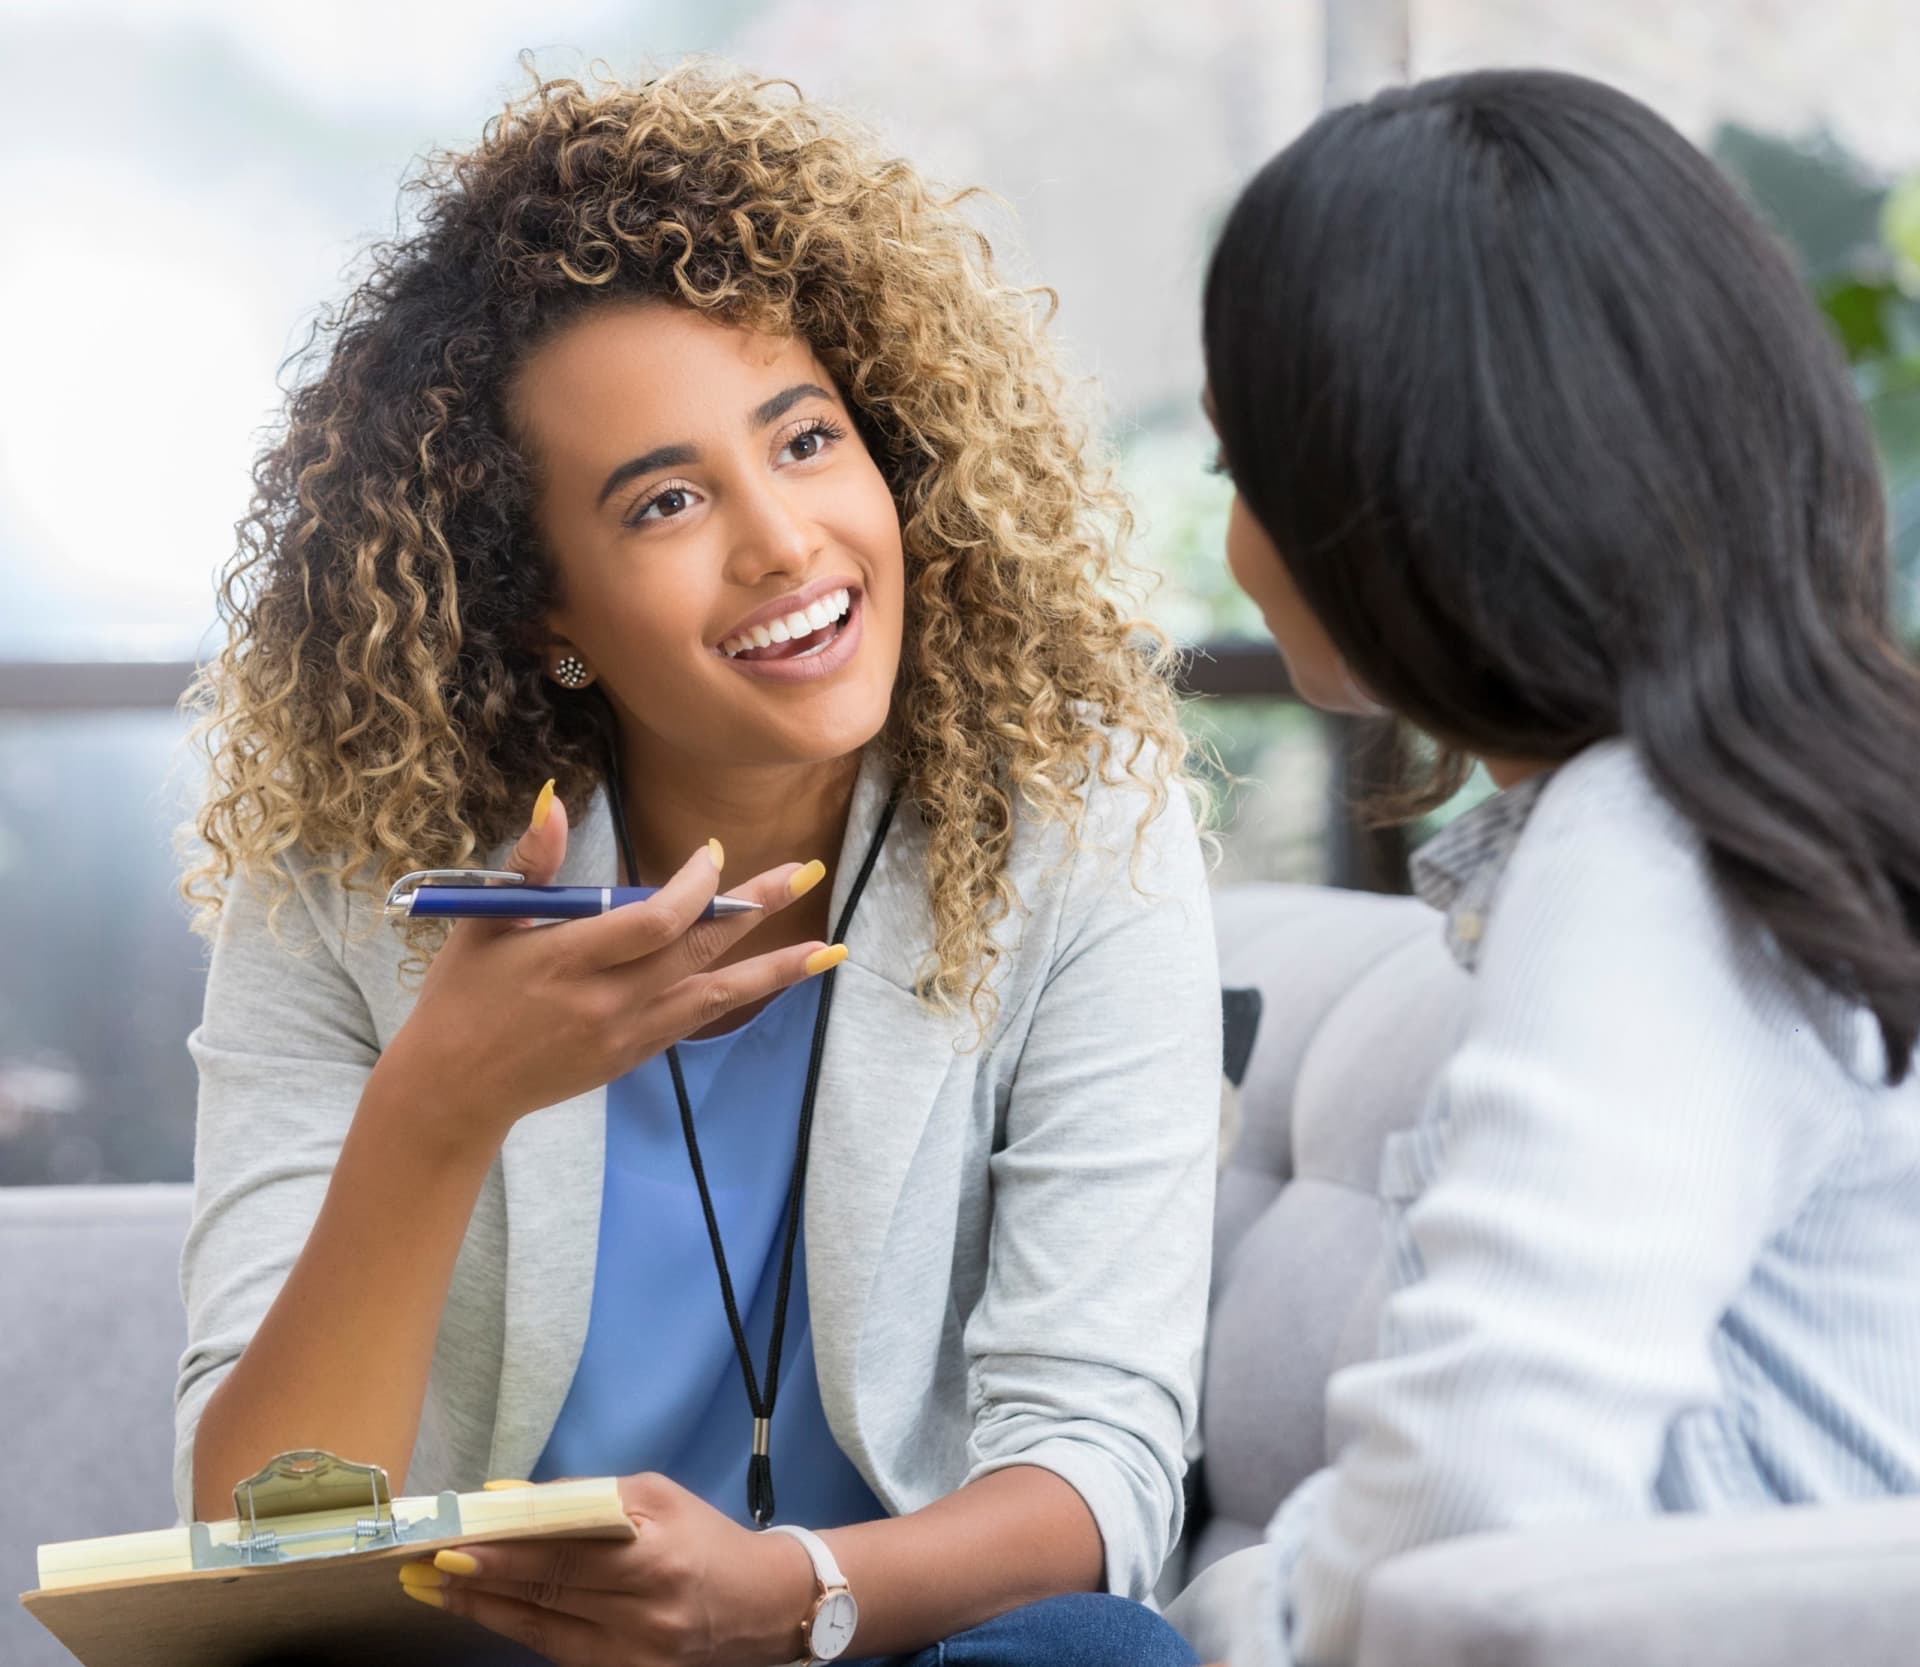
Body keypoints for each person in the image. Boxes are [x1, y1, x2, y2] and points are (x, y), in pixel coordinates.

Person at [175, 65, 1219, 1667]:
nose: (785, 542)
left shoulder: (1079, 832)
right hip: (504, 1651)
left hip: (883, 1636)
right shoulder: (349, 888)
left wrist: (788, 1591)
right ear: (549, 616)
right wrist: (438, 1106)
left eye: (804, 440)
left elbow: (1102, 1469)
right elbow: (252, 1554)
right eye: (665, 500)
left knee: (1101, 1655)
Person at [1170, 68, 1920, 1667]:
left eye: (1249, 475)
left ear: (1405, 505)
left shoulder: (1652, 861)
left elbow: (1469, 1508)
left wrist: (1217, 1613)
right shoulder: (1766, 809)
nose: (1242, 539)